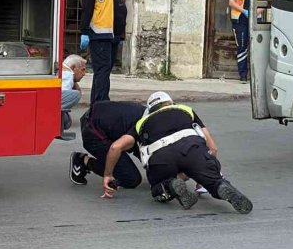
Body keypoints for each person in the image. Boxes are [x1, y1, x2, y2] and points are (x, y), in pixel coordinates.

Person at [102, 91, 253, 213]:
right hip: (192, 151)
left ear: (149, 110)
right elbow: (213, 147)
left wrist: (108, 175)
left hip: (161, 159)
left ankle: (169, 185)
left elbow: (116, 147)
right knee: (213, 181)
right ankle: (219, 186)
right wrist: (204, 175)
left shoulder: (141, 123)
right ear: (170, 103)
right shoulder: (186, 110)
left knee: (157, 188)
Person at [79, 0, 127, 103]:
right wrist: (85, 32)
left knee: (105, 73)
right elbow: (87, 10)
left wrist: (120, 36)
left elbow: (118, 11)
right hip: (99, 37)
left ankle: (99, 104)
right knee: (102, 72)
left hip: (113, 37)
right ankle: (101, 104)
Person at [69, 101, 146, 189]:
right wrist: (108, 175)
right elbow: (115, 148)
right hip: (93, 131)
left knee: (132, 148)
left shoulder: (148, 114)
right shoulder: (145, 125)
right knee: (131, 179)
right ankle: (82, 161)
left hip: (100, 118)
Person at [227, 0, 264, 83]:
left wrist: (253, 14)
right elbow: (232, 2)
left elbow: (263, 4)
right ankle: (243, 75)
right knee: (242, 47)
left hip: (254, 20)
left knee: (255, 47)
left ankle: (255, 75)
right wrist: (244, 11)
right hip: (240, 20)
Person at [61, 54, 87, 129]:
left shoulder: (64, 71)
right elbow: (63, 94)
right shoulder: (68, 75)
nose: (84, 74)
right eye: (83, 69)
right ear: (73, 68)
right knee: (76, 94)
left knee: (66, 121)